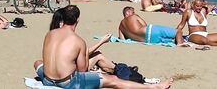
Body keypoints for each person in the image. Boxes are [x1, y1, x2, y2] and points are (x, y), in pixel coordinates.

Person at [34, 5, 172, 88]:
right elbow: (82, 71)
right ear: (77, 20)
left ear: (63, 19)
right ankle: (155, 87)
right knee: (114, 81)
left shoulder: (50, 33)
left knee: (38, 63)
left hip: (47, 80)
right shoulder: (78, 41)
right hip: (67, 84)